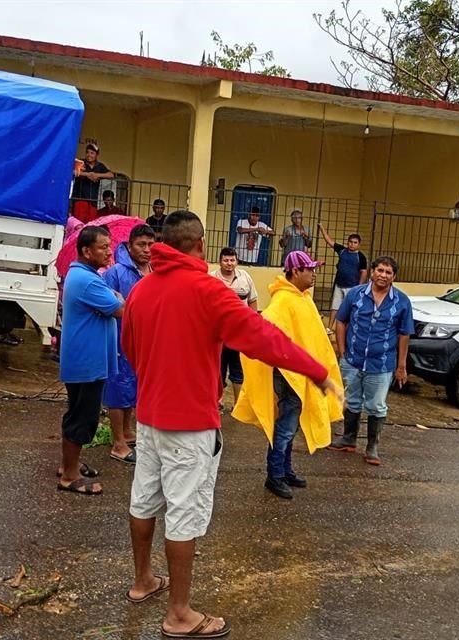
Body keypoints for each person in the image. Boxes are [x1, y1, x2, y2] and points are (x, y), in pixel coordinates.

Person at [121, 210, 339, 639]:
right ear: (200, 246)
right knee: (184, 515)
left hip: (149, 417)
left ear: (162, 242)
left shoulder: (141, 290)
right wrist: (316, 370)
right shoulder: (209, 291)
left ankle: (142, 580)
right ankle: (179, 613)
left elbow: (129, 347)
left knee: (144, 500)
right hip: (190, 425)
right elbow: (263, 338)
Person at [233, 251, 343, 499]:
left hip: (300, 374)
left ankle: (285, 469)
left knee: (290, 426)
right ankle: (275, 475)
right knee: (285, 427)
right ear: (295, 271)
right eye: (309, 269)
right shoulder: (283, 301)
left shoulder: (302, 298)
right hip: (288, 376)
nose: (314, 274)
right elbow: (270, 336)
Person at [57, 225, 124, 495]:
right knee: (82, 418)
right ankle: (69, 476)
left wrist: (114, 297)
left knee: (77, 413)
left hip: (85, 360)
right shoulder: (87, 280)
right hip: (86, 362)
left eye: (109, 246)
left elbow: (114, 301)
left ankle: (68, 464)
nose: (109, 252)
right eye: (103, 247)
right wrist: (116, 298)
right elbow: (120, 308)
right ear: (86, 251)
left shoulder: (85, 276)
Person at [328, 256, 414, 465]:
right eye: (380, 270)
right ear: (372, 271)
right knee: (353, 401)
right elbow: (341, 321)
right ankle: (348, 439)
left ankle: (372, 446)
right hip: (353, 360)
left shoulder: (401, 302)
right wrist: (342, 351)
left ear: (394, 277)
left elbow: (404, 334)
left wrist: (401, 366)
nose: (383, 275)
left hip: (382, 364)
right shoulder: (356, 295)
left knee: (376, 405)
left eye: (388, 272)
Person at [102, 224, 155, 465]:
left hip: (145, 339)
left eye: (150, 244)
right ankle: (118, 443)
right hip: (120, 338)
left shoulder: (154, 269)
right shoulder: (116, 272)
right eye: (141, 245)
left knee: (135, 385)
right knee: (117, 386)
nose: (146, 250)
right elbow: (108, 304)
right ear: (130, 246)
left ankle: (127, 430)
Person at [209, 247, 259, 411]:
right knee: (218, 368)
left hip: (239, 331)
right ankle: (218, 402)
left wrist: (252, 324)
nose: (229, 264)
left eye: (232, 260)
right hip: (218, 333)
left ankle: (238, 406)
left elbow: (252, 301)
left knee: (238, 368)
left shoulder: (245, 277)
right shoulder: (212, 279)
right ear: (220, 261)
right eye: (226, 260)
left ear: (236, 261)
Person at [317, 223, 368, 331]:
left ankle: (348, 329)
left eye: (355, 243)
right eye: (350, 242)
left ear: (359, 245)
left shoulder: (361, 257)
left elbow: (363, 272)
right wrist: (322, 229)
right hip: (339, 285)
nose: (352, 244)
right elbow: (329, 241)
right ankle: (329, 327)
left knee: (350, 308)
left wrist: (359, 287)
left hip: (352, 287)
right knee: (334, 306)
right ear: (347, 242)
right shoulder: (342, 250)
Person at [71, 141, 114, 223]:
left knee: (90, 225)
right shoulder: (81, 162)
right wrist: (87, 174)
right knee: (79, 224)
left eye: (92, 153)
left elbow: (111, 175)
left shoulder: (99, 166)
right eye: (87, 152)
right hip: (80, 199)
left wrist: (97, 175)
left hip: (93, 201)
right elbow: (74, 172)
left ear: (97, 155)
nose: (89, 155)